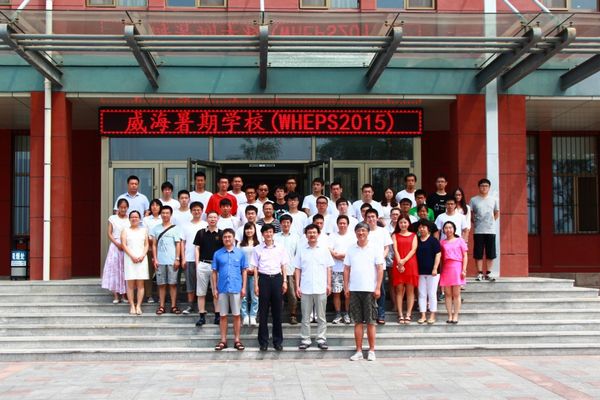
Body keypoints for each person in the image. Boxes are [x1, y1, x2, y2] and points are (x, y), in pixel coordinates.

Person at [343, 222, 384, 362]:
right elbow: (346, 269)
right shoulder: (351, 249)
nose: (361, 233)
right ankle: (359, 350)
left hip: (369, 290)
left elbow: (380, 269)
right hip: (354, 289)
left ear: (368, 232)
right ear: (355, 233)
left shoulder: (375, 248)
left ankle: (371, 350)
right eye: (358, 231)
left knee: (371, 321)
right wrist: (346, 287)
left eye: (363, 230)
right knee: (357, 322)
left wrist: (378, 287)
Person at [295, 224, 334, 350]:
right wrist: (297, 286)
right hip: (305, 287)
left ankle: (321, 339)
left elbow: (328, 268)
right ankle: (305, 339)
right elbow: (298, 269)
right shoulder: (301, 249)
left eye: (314, 232)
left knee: (321, 316)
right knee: (305, 316)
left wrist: (329, 284)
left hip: (321, 286)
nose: (312, 235)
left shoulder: (324, 249)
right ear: (306, 235)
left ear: (318, 234)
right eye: (309, 233)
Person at [251, 224, 290, 351]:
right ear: (262, 234)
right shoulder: (257, 249)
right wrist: (256, 285)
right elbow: (255, 268)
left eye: (270, 232)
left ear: (273, 233)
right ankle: (263, 342)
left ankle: (277, 341)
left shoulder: (280, 247)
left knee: (277, 312)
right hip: (263, 279)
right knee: (263, 312)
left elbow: (283, 265)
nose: (268, 234)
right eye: (266, 232)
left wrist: (285, 281)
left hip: (277, 279)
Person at [212, 228, 248, 351]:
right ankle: (223, 340)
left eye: (229, 237)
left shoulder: (240, 253)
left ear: (233, 238)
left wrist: (244, 287)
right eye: (225, 237)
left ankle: (237, 340)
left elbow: (244, 271)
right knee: (222, 315)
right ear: (222, 239)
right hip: (222, 288)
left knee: (237, 315)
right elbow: (214, 272)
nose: (227, 239)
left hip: (236, 287)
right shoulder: (217, 254)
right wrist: (214, 288)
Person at [150, 205, 182, 315]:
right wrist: (155, 259)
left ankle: (173, 306)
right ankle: (161, 306)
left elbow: (178, 244)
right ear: (160, 214)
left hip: (172, 261)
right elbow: (154, 245)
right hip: (160, 261)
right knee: (161, 284)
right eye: (163, 213)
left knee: (173, 284)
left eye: (167, 213)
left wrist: (177, 258)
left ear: (171, 214)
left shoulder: (176, 228)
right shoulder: (156, 228)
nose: (165, 215)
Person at [193, 211, 224, 326]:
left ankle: (217, 316)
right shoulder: (201, 233)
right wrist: (197, 264)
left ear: (218, 219)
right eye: (210, 217)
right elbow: (197, 248)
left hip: (217, 266)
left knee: (217, 291)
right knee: (201, 292)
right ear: (207, 219)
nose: (212, 219)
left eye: (215, 217)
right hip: (203, 264)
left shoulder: (221, 233)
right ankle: (201, 316)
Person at [365, 208, 392, 324]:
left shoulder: (383, 231)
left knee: (380, 290)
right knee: (367, 290)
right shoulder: (363, 231)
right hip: (366, 266)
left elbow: (387, 248)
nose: (371, 219)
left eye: (373, 216)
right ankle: (369, 314)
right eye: (369, 217)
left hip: (380, 266)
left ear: (377, 218)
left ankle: (381, 314)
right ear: (365, 218)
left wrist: (380, 259)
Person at [180, 201, 208, 315]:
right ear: (191, 211)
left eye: (198, 210)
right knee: (190, 283)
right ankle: (190, 305)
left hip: (203, 259)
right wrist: (183, 258)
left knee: (203, 283)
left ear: (202, 211)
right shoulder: (185, 225)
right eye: (194, 210)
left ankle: (202, 306)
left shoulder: (206, 225)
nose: (196, 212)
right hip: (189, 258)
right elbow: (182, 242)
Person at [469, 178, 500, 282]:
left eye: (486, 186)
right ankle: (479, 273)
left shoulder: (494, 200)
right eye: (482, 186)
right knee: (478, 252)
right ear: (479, 187)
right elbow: (470, 213)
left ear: (489, 187)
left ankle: (489, 273)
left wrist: (491, 221)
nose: (484, 188)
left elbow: (497, 212)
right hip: (478, 230)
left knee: (490, 253)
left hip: (490, 230)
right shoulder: (473, 200)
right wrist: (475, 222)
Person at [121, 210, 149, 315]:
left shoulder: (144, 230)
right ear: (129, 219)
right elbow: (124, 245)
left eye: (136, 217)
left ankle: (139, 306)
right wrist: (132, 256)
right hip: (129, 258)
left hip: (142, 259)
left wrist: (142, 255)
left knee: (141, 284)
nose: (134, 219)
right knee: (130, 285)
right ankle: (132, 305)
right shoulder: (125, 230)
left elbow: (146, 245)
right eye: (132, 217)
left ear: (139, 219)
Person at [391, 216, 418, 324]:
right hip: (398, 263)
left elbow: (413, 249)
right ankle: (400, 314)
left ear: (409, 223)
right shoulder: (394, 235)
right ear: (398, 224)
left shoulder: (414, 235)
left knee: (410, 290)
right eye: (401, 222)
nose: (403, 224)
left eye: (405, 222)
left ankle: (408, 314)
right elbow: (395, 249)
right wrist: (399, 262)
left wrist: (404, 261)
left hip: (410, 263)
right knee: (399, 290)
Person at [439, 221, 468, 324]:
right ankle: (449, 315)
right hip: (446, 268)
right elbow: (440, 258)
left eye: (450, 227)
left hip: (457, 267)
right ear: (443, 230)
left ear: (454, 229)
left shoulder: (460, 240)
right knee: (447, 294)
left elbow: (465, 256)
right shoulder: (442, 242)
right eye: (446, 228)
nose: (448, 230)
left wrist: (464, 269)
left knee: (456, 294)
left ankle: (456, 315)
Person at [102, 198, 129, 303]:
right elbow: (109, 233)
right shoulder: (112, 218)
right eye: (121, 207)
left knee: (125, 270)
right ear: (118, 208)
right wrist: (117, 243)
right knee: (115, 270)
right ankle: (116, 296)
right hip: (115, 246)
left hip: (127, 246)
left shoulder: (129, 219)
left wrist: (124, 244)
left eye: (125, 207)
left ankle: (125, 295)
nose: (123, 209)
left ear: (127, 208)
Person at [274, 214, 300, 325]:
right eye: (283, 222)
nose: (285, 224)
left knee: (292, 295)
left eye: (288, 222)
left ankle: (293, 315)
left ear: (291, 224)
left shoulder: (296, 237)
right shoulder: (275, 237)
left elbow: (298, 254)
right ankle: (278, 316)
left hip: (291, 269)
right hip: (276, 270)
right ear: (280, 224)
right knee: (277, 295)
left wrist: (296, 269)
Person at [329, 215, 355, 324]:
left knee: (347, 292)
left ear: (348, 224)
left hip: (349, 269)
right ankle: (338, 314)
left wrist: (341, 255)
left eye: (344, 223)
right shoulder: (332, 236)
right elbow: (329, 249)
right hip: (336, 268)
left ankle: (347, 313)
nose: (342, 225)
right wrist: (336, 255)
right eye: (340, 223)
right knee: (336, 292)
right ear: (337, 224)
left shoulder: (353, 236)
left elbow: (353, 251)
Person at [416, 220, 441, 325]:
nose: (421, 229)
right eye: (420, 227)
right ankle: (423, 315)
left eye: (424, 227)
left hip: (433, 272)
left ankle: (432, 315)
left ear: (428, 229)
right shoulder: (417, 240)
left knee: (432, 293)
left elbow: (438, 254)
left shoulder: (433, 240)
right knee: (422, 294)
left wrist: (435, 268)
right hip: (420, 272)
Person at [238, 222, 260, 327]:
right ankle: (245, 316)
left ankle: (253, 315)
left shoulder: (259, 244)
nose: (249, 231)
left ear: (254, 230)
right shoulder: (240, 244)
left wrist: (255, 269)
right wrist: (244, 269)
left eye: (251, 229)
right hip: (243, 272)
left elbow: (260, 258)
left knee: (255, 295)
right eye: (247, 229)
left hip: (255, 272)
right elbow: (238, 258)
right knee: (243, 295)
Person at [142, 199, 163, 303]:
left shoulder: (163, 218)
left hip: (162, 250)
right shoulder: (146, 219)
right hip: (149, 249)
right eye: (153, 205)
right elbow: (145, 234)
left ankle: (161, 296)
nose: (155, 207)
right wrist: (152, 242)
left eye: (157, 205)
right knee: (149, 273)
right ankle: (148, 295)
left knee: (160, 273)